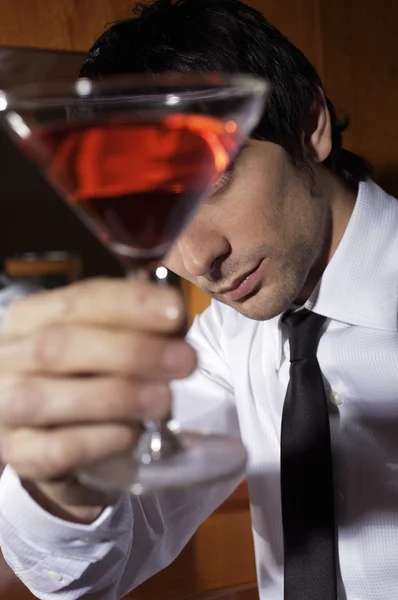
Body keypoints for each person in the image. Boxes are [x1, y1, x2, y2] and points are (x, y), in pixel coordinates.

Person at [0, 0, 397, 598]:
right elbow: (88, 573)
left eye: (208, 181)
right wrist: (64, 486)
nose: (194, 260)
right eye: (151, 208)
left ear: (310, 125)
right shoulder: (223, 337)